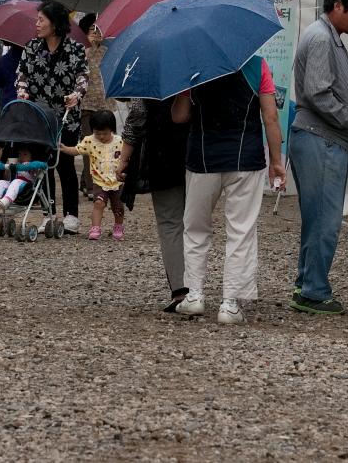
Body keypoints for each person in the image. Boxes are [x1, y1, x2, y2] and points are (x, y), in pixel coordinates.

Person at [172, 57, 285, 325]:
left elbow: (179, 116)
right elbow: (270, 116)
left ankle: (195, 296)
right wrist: (277, 162)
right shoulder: (258, 67)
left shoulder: (193, 67)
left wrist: (182, 88)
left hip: (202, 159)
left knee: (196, 228)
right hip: (246, 160)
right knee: (241, 231)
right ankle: (230, 304)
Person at [288, 0, 348, 315]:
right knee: (325, 219)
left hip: (318, 138)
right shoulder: (322, 38)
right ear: (338, 5)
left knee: (316, 216)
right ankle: (313, 290)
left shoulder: (323, 35)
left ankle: (307, 282)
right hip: (321, 139)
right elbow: (319, 93)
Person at [16, 0, 88, 234]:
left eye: (41, 20)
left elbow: (83, 76)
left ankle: (72, 216)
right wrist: (22, 90)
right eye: (36, 20)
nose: (36, 24)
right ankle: (49, 213)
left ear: (55, 24)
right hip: (39, 115)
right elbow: (22, 75)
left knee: (65, 164)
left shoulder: (74, 48)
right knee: (42, 164)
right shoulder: (31, 47)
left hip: (67, 115)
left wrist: (76, 94)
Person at [119, 96, 191, 311]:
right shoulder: (203, 73)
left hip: (163, 157)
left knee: (170, 224)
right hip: (199, 156)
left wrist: (123, 159)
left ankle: (181, 291)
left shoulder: (152, 74)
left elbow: (135, 121)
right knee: (197, 225)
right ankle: (198, 289)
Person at [60, 109, 125, 241]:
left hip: (117, 181)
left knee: (117, 206)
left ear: (112, 130)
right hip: (99, 181)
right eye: (97, 133)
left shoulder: (119, 141)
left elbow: (127, 158)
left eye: (105, 133)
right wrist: (64, 148)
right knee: (98, 203)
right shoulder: (89, 141)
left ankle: (118, 226)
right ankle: (95, 227)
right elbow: (77, 150)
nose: (101, 136)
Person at [77, 13, 110, 199]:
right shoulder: (81, 50)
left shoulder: (106, 51)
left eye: (98, 29)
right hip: (84, 103)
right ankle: (91, 186)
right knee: (89, 144)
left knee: (103, 144)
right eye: (92, 29)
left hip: (103, 104)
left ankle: (86, 181)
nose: (96, 33)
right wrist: (88, 46)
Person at [0, 145, 36, 214]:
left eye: (25, 154)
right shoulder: (16, 164)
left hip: (26, 185)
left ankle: (6, 201)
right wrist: (8, 168)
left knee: (15, 181)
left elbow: (34, 172)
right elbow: (8, 177)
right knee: (1, 182)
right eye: (20, 154)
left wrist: (30, 167)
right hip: (14, 183)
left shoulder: (31, 164)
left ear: (31, 156)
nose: (22, 156)